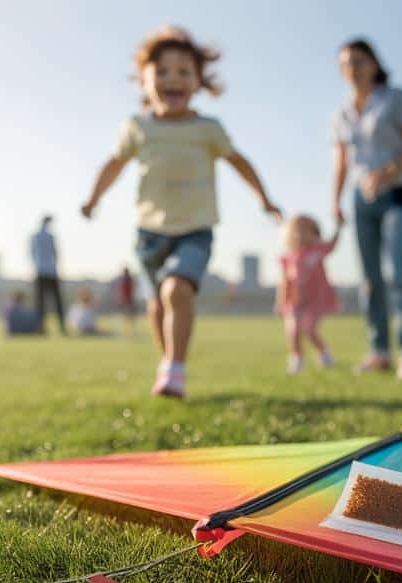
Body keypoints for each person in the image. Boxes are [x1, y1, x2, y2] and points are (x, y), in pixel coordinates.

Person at [79, 25, 281, 398]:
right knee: (156, 305)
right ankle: (168, 364)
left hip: (195, 230)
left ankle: (175, 368)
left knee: (176, 291)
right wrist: (94, 199)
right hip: (149, 233)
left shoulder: (207, 129)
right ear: (144, 80)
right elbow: (113, 164)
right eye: (163, 72)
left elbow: (240, 162)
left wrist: (264, 199)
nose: (173, 79)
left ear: (199, 81)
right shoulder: (137, 127)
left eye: (184, 72)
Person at [332, 38, 402, 380]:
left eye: (358, 61)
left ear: (373, 63)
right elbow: (341, 161)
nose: (352, 69)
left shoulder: (394, 98)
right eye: (345, 64)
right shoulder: (342, 112)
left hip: (397, 192)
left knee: (395, 272)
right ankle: (379, 350)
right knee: (369, 279)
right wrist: (336, 201)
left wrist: (385, 172)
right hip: (361, 199)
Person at [276, 214, 341, 374]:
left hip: (315, 300)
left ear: (314, 233)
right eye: (296, 231)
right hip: (295, 301)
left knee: (309, 329)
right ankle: (296, 359)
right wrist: (281, 302)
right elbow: (285, 282)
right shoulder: (287, 258)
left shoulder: (317, 251)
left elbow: (332, 244)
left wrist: (339, 227)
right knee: (293, 331)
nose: (299, 235)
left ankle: (324, 353)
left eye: (304, 230)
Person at [30, 215, 66, 335]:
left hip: (40, 271)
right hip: (50, 271)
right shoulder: (50, 237)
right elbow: (55, 253)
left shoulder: (35, 236)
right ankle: (61, 328)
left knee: (40, 302)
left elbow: (32, 253)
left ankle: (41, 328)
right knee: (57, 301)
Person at [117, 266, 136, 336]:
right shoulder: (127, 279)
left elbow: (124, 291)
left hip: (127, 300)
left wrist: (122, 300)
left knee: (128, 316)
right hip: (128, 300)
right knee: (128, 316)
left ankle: (129, 331)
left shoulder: (126, 279)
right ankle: (128, 331)